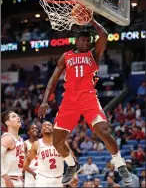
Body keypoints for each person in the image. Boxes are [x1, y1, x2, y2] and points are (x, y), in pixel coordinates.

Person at [38, 18, 132, 185]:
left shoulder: (93, 55)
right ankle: (73, 165)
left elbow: (104, 34)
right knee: (57, 142)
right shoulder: (66, 56)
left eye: (89, 40)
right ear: (76, 41)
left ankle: (120, 165)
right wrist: (45, 100)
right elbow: (53, 79)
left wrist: (92, 20)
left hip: (88, 97)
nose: (87, 42)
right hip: (69, 100)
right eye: (84, 40)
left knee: (103, 130)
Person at [23, 121, 78, 187]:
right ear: (41, 131)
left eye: (49, 125)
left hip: (58, 179)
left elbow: (72, 158)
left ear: (53, 129)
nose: (46, 126)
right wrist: (26, 170)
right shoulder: (37, 144)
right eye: (44, 125)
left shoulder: (61, 142)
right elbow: (28, 159)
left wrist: (75, 174)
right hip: (42, 179)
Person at [1, 110, 25, 187]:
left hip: (19, 180)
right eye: (14, 116)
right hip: (8, 180)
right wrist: (6, 179)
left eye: (18, 116)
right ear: (7, 122)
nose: (18, 117)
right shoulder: (7, 138)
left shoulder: (21, 139)